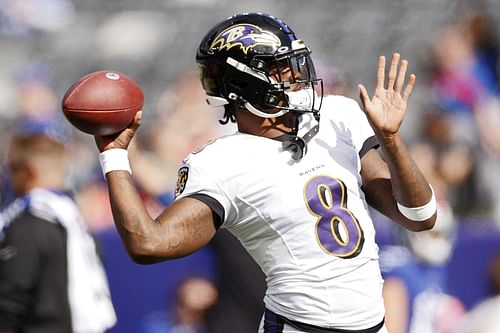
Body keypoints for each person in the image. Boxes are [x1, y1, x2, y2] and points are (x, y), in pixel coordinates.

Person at [92, 13, 436, 332]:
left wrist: (391, 140)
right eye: (280, 68)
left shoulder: (338, 116)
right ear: (244, 83)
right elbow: (148, 244)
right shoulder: (223, 161)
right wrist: (114, 155)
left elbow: (420, 215)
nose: (297, 75)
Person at [0, 133, 116, 333]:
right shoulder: (78, 221)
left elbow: (11, 300)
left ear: (28, 171)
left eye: (12, 168)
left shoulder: (29, 223)